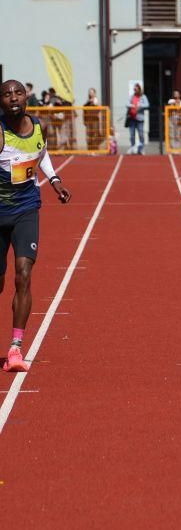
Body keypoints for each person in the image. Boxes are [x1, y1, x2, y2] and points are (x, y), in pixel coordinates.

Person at [0, 80, 72, 372]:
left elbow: (41, 153)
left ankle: (16, 348)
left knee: (24, 274)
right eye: (7, 94)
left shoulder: (38, 126)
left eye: (18, 92)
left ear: (26, 97)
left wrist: (54, 180)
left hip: (26, 210)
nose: (13, 98)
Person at [126, 83, 149, 155]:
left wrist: (140, 105)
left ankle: (141, 149)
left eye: (136, 89)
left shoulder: (143, 97)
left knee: (141, 134)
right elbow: (127, 104)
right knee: (132, 135)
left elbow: (147, 104)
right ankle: (132, 147)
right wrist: (133, 105)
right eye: (134, 89)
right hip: (132, 118)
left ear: (139, 89)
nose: (135, 90)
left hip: (140, 119)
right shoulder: (131, 96)